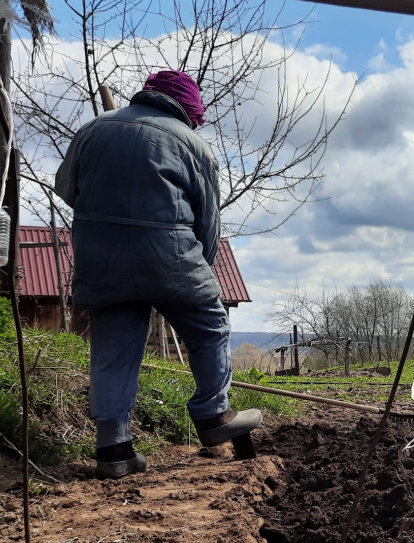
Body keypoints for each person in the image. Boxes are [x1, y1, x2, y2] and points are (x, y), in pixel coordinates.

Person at [55, 69, 261, 479]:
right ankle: (213, 415)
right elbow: (207, 222)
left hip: (102, 257)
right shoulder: (193, 145)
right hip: (171, 255)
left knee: (113, 348)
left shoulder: (92, 130)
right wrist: (199, 265)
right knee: (209, 327)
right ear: (187, 109)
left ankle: (113, 449)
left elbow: (66, 188)